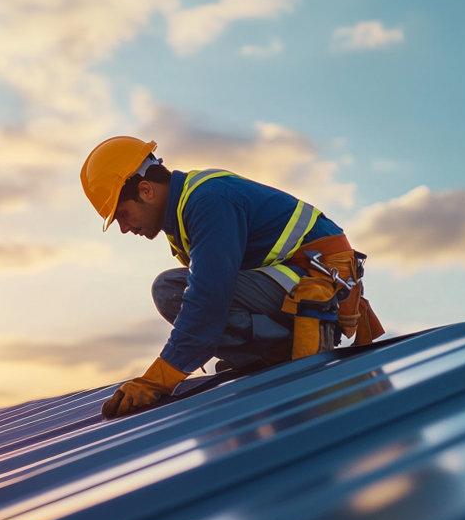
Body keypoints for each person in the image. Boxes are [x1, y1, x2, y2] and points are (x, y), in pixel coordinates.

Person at [81, 136, 384, 419]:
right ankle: (271, 351)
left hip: (315, 283)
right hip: (291, 280)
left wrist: (158, 380)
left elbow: (208, 301)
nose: (123, 228)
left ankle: (287, 346)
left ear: (146, 190)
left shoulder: (208, 201)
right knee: (177, 290)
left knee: (170, 289)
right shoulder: (183, 214)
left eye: (121, 214)